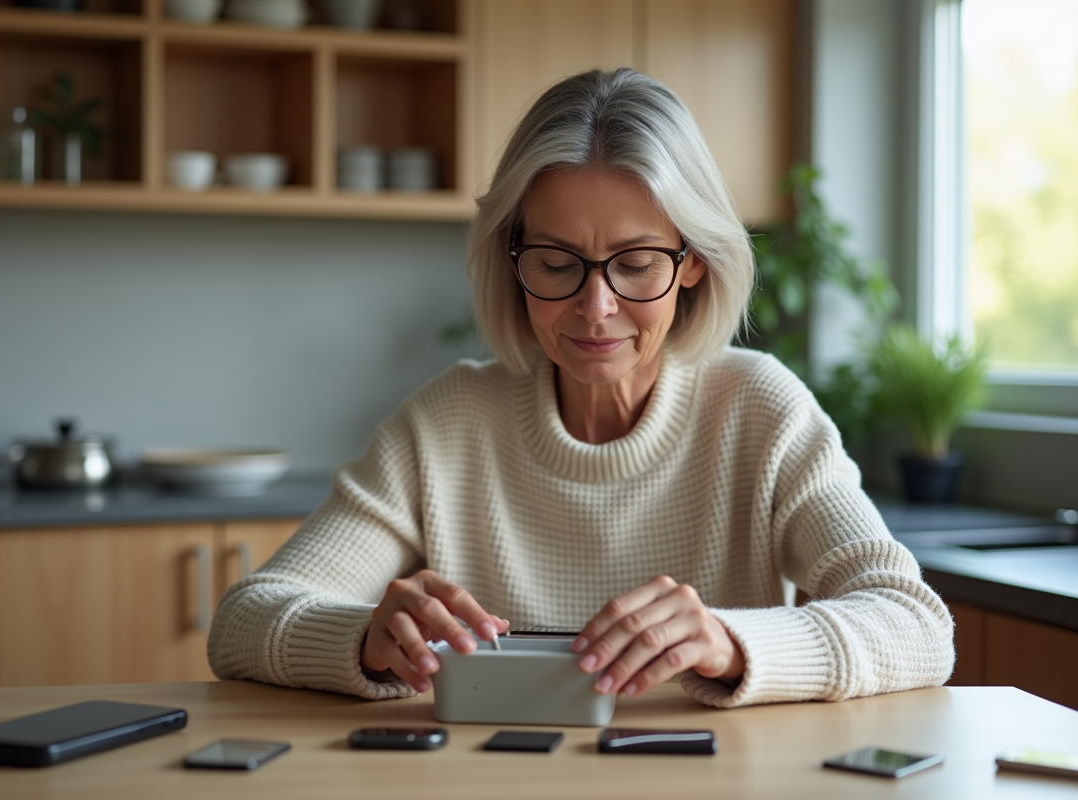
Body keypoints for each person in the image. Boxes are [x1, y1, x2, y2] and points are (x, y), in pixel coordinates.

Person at [208, 68, 954, 708]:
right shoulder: (449, 422)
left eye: (634, 263)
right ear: (512, 257)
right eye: (558, 262)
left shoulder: (760, 409)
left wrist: (728, 642)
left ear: (693, 260)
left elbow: (917, 626)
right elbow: (243, 622)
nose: (595, 309)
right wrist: (365, 640)